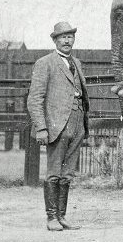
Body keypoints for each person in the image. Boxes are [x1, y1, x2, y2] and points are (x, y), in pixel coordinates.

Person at [27, 21, 91, 231]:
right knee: (54, 172)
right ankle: (51, 217)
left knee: (68, 173)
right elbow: (35, 98)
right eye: (62, 37)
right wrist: (41, 128)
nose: (67, 40)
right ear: (55, 40)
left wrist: (83, 124)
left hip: (77, 123)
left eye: (70, 36)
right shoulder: (45, 63)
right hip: (56, 126)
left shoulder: (77, 63)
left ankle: (62, 217)